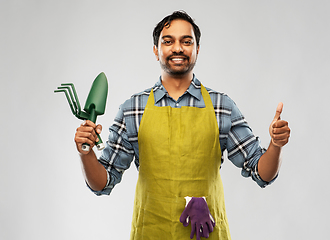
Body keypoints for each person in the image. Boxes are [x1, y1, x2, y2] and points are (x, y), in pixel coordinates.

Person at [74, 11, 290, 240]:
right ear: (156, 50)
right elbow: (102, 182)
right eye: (168, 41)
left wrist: (276, 145)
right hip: (151, 232)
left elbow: (261, 173)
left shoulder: (222, 107)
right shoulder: (132, 109)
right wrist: (85, 152)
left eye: (187, 42)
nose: (178, 48)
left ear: (197, 49)